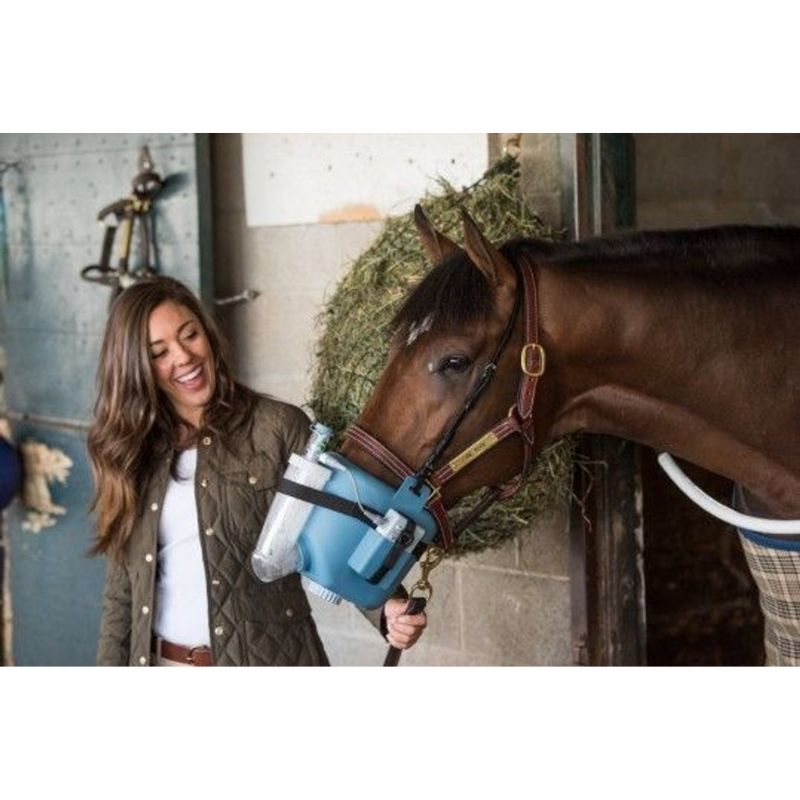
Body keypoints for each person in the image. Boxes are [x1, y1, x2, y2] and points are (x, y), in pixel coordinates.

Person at [89, 276, 427, 666]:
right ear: (136, 367)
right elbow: (122, 593)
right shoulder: (134, 452)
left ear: (208, 334)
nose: (183, 357)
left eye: (190, 335)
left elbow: (338, 540)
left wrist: (386, 606)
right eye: (158, 352)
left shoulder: (277, 428)